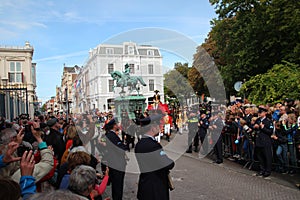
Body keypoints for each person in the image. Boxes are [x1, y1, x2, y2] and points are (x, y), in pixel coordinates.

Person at [135, 114, 175, 200]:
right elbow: (168, 164)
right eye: (158, 126)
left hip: (145, 186)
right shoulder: (153, 145)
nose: (160, 128)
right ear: (153, 127)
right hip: (156, 188)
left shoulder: (139, 144)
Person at [104, 118, 129, 200]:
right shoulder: (112, 136)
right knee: (118, 186)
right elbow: (121, 148)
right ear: (114, 126)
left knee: (116, 186)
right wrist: (125, 143)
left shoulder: (110, 135)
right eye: (117, 123)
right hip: (117, 164)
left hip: (114, 163)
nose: (119, 124)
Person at [253, 107, 274, 177]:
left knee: (267, 156)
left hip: (265, 141)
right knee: (260, 157)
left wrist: (262, 127)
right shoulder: (258, 120)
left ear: (265, 113)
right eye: (259, 112)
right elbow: (255, 128)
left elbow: (270, 132)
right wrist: (255, 127)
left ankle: (267, 171)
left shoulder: (268, 121)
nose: (259, 114)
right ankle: (262, 170)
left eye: (261, 112)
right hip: (258, 141)